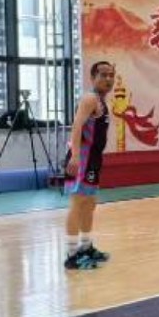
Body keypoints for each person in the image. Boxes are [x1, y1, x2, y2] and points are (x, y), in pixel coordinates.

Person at [64, 60, 115, 270]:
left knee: (89, 203)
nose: (108, 79)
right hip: (82, 159)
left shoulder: (101, 101)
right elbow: (76, 126)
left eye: (111, 75)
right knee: (78, 203)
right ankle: (72, 254)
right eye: (103, 75)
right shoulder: (90, 99)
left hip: (93, 160)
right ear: (93, 78)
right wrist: (75, 156)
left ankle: (86, 247)